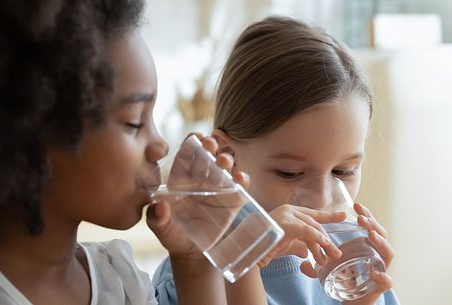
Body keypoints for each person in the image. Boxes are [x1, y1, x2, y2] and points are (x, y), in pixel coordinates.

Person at [0, 1, 345, 305]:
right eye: (134, 122)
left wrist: (194, 261)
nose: (160, 145)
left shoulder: (120, 281)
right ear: (32, 133)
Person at [153, 16, 400, 305]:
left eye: (343, 171)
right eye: (289, 173)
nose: (321, 199)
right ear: (225, 159)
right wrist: (247, 259)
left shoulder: (348, 275)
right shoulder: (193, 274)